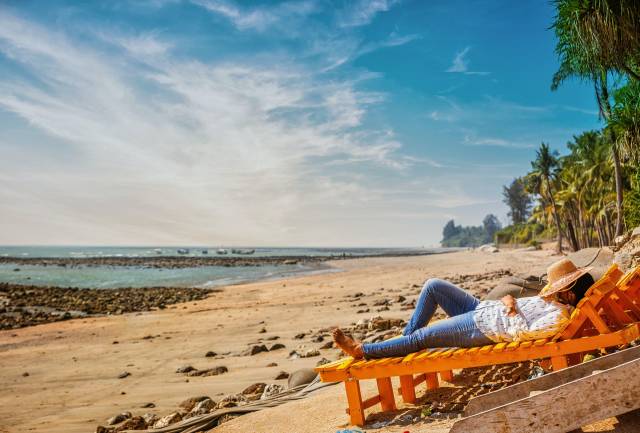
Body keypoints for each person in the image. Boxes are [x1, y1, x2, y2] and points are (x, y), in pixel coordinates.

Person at [332, 258, 595, 359]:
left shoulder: (559, 316)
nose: (552, 289)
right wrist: (506, 303)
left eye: (557, 286)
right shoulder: (555, 302)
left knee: (423, 337)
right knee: (433, 286)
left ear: (569, 291)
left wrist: (512, 307)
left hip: (482, 328)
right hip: (481, 310)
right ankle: (403, 341)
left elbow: (524, 334)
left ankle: (361, 351)